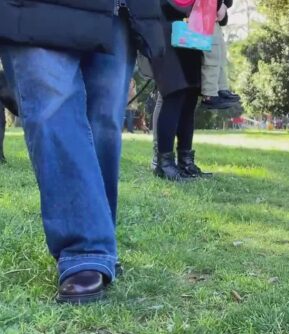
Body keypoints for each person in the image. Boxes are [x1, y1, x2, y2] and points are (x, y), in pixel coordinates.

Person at [0, 0, 165, 303]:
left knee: (103, 120)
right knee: (53, 106)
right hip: (33, 7)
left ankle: (100, 242)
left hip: (119, 9)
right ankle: (85, 247)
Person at [150, 0, 216, 181]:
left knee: (190, 95)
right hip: (165, 26)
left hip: (193, 28)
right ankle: (164, 164)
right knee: (174, 92)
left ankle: (185, 162)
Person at [200, 0, 240, 110]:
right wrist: (220, 5)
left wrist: (224, 5)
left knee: (220, 54)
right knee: (212, 55)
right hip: (203, 10)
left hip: (212, 11)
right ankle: (209, 94)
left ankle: (221, 89)